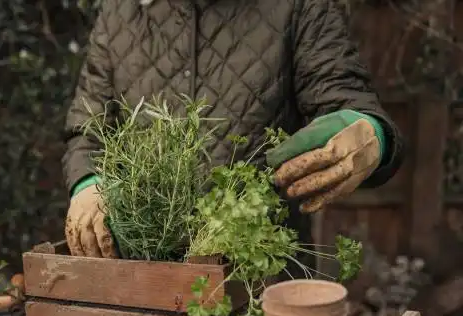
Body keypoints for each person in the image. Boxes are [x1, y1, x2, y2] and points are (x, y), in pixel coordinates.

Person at [62, 0, 403, 259]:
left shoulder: (298, 6)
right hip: (139, 271)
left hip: (259, 270)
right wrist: (88, 183)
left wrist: (370, 133)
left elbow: (345, 97)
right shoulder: (120, 11)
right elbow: (88, 130)